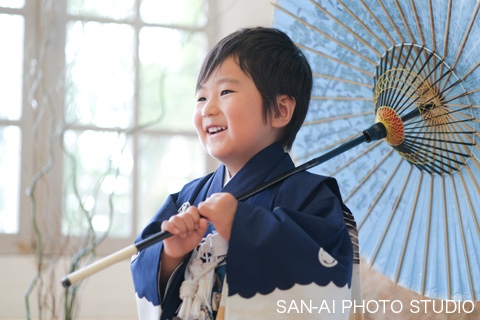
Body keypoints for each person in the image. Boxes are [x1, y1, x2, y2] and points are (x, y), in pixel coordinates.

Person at [131, 27, 358, 320]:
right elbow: (144, 264)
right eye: (200, 98)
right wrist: (170, 255)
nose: (207, 109)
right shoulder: (187, 198)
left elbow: (327, 280)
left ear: (280, 110)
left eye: (225, 92)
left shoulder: (312, 198)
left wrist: (245, 227)